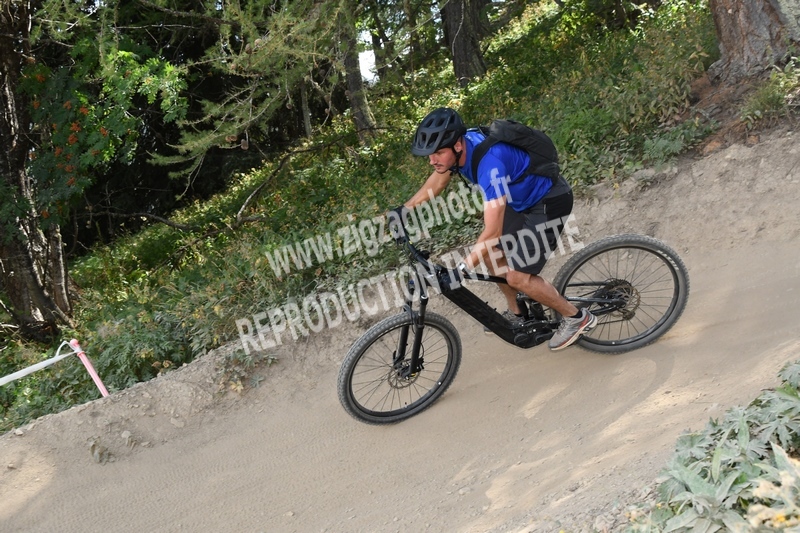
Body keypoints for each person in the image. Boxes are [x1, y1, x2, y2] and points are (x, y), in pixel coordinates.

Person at [396, 107, 596, 351]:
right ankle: (519, 312)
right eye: (430, 154)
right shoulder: (462, 146)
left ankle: (577, 318)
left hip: (548, 201)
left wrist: (461, 269)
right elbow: (440, 177)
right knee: (492, 253)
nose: (432, 160)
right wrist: (404, 210)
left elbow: (491, 232)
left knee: (518, 277)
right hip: (518, 200)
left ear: (457, 146)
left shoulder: (490, 166)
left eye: (438, 152)